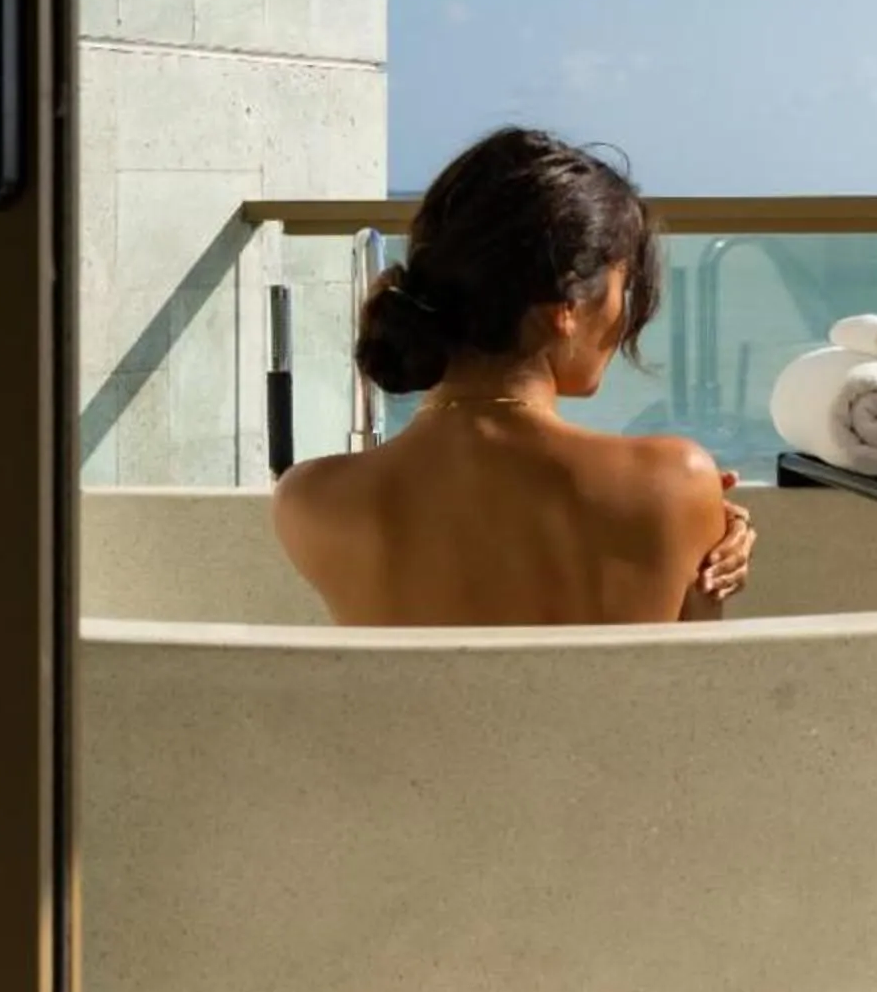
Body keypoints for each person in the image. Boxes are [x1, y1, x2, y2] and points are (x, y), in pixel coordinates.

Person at [274, 127, 753, 624]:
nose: (623, 314)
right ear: (564, 306)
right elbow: (690, 684)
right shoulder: (674, 480)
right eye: (623, 284)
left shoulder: (309, 500)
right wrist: (698, 534)